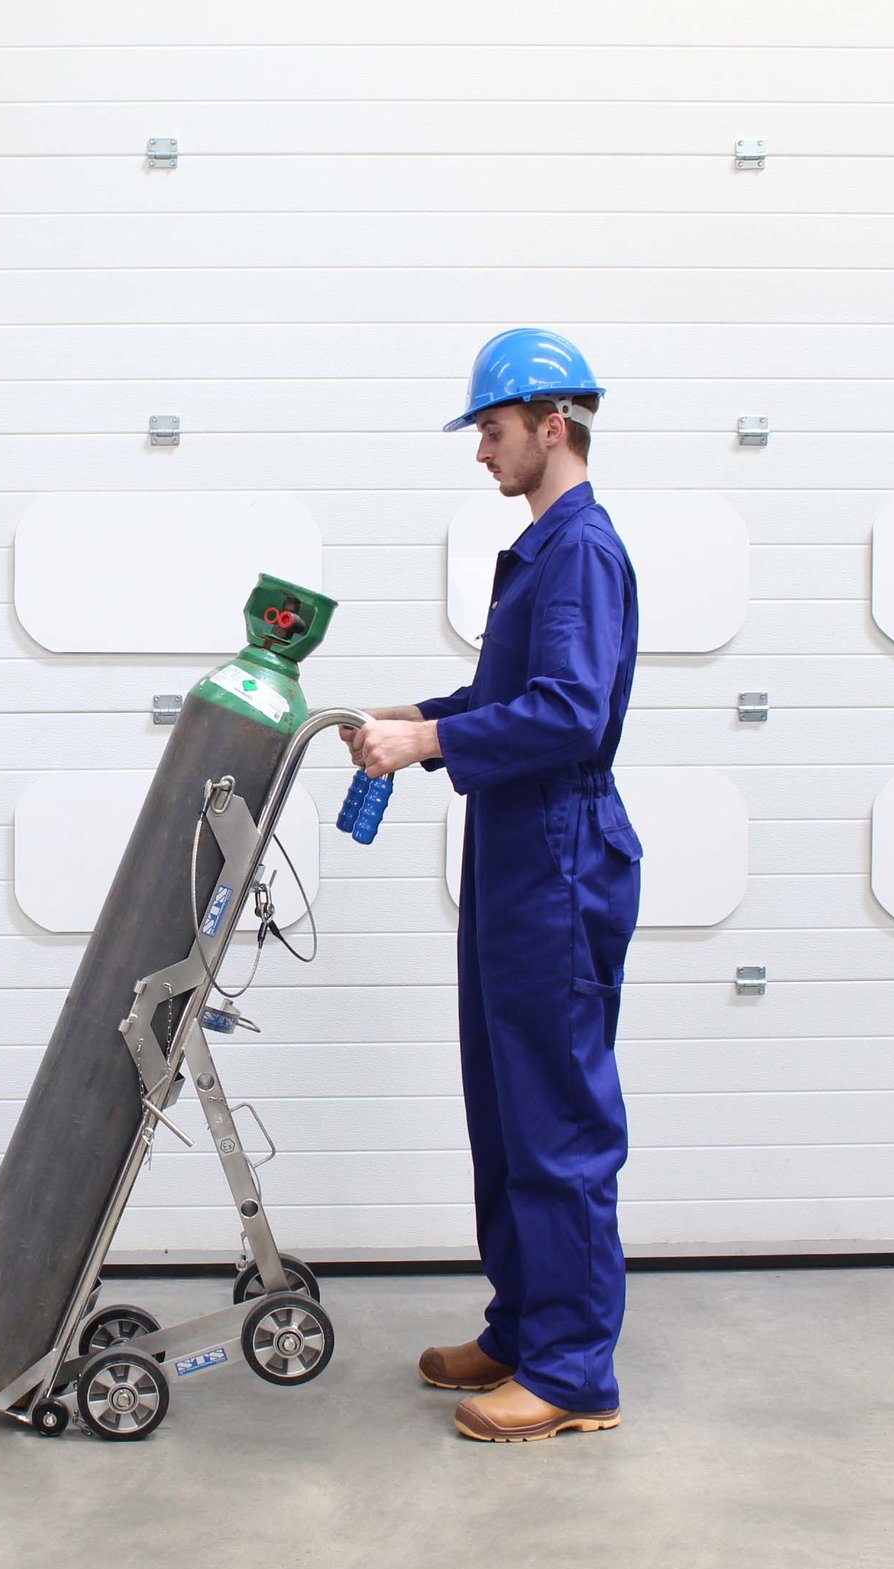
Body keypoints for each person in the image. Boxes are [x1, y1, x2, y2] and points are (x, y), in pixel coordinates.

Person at [343, 327, 643, 1443]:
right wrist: (412, 721)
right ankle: (525, 1323)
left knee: (556, 1116)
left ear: (550, 425)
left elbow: (568, 710)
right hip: (517, 855)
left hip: (558, 860)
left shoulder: (578, 549)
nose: (481, 451)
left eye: (492, 429)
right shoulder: (541, 547)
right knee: (505, 1103)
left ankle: (573, 1372)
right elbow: (501, 692)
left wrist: (425, 745)